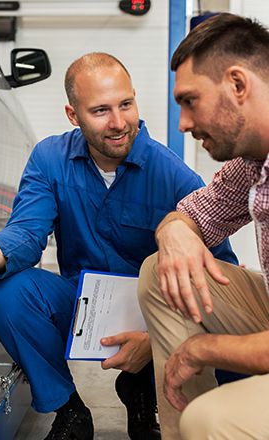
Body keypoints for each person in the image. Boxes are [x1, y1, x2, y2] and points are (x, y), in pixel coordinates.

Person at [0, 52, 236, 440]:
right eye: (100, 111)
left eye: (126, 104)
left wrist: (155, 338)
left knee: (222, 338)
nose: (119, 122)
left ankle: (147, 395)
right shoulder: (49, 159)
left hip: (154, 313)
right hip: (84, 302)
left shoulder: (173, 175)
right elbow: (27, 232)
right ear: (73, 115)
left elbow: (221, 274)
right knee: (8, 294)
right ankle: (69, 410)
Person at [138, 13, 269, 440]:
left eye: (190, 101)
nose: (182, 124)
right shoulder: (253, 161)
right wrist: (174, 231)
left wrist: (202, 348)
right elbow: (195, 212)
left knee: (212, 420)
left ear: (237, 84)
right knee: (161, 272)